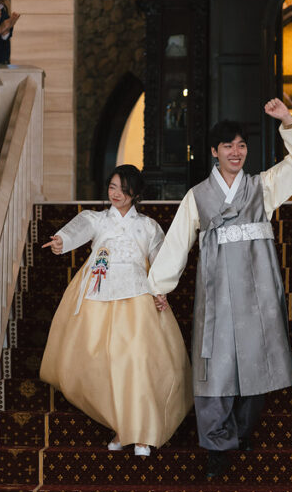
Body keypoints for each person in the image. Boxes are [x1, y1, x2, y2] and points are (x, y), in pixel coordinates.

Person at [148, 99, 292, 479]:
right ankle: (216, 444)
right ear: (214, 152)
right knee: (215, 367)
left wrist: (288, 121)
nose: (235, 152)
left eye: (241, 145)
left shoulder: (262, 188)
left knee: (260, 364)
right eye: (227, 146)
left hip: (259, 292)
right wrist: (160, 285)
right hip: (217, 291)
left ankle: (239, 431)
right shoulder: (198, 196)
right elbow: (177, 241)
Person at [39, 165, 192, 457]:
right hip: (98, 298)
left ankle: (142, 433)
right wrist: (62, 240)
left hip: (137, 300)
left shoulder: (147, 226)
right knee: (104, 364)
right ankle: (124, 427)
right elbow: (79, 229)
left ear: (135, 192)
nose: (116, 193)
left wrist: (161, 290)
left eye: (122, 188)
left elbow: (161, 260)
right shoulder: (97, 220)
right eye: (112, 187)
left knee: (136, 362)